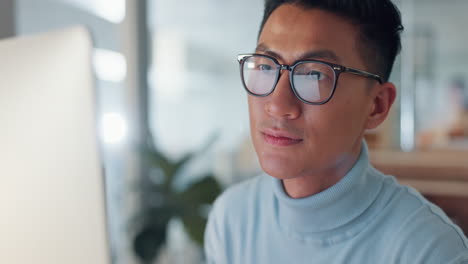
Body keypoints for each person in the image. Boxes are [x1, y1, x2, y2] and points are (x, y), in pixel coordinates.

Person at [204, 0, 468, 263]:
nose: (277, 105)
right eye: (265, 66)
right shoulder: (232, 220)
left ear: (376, 106)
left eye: (314, 75)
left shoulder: (429, 251)